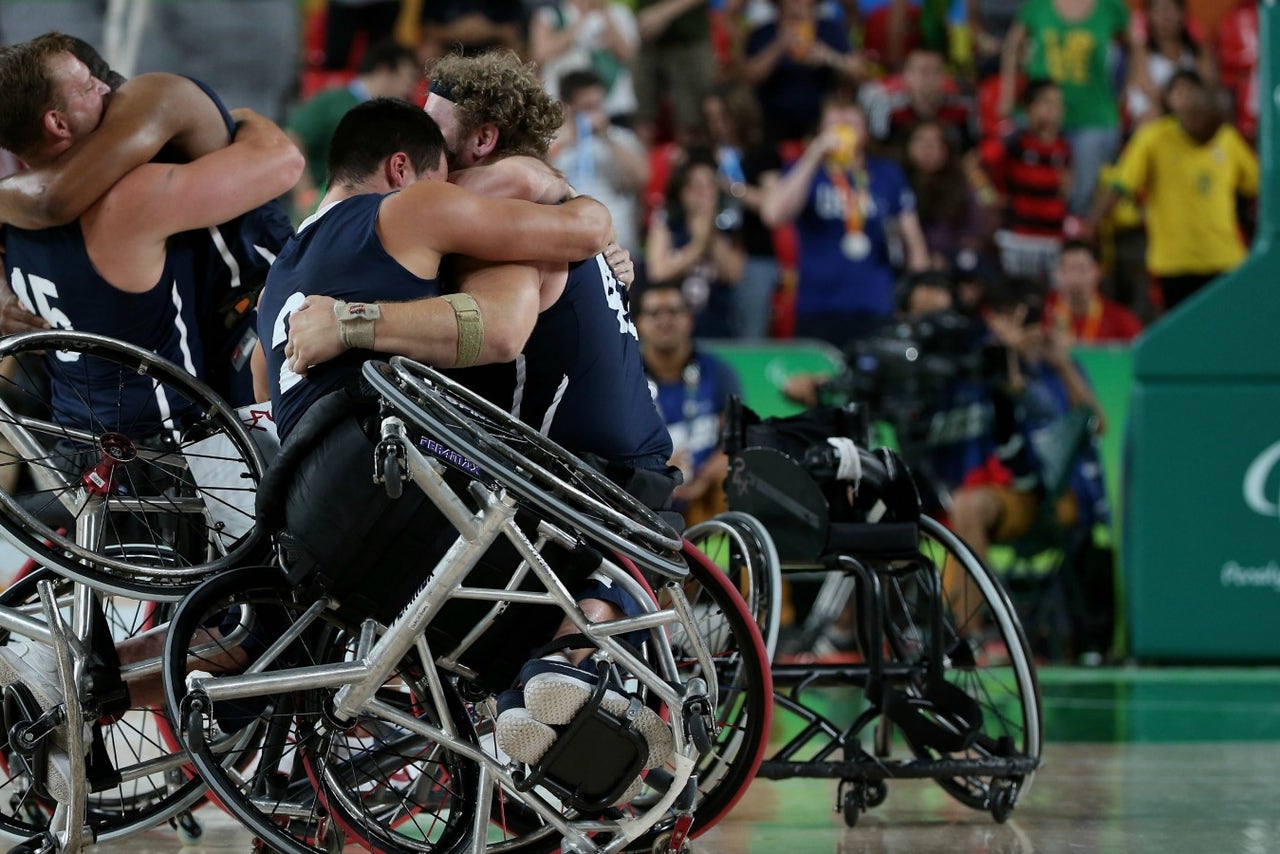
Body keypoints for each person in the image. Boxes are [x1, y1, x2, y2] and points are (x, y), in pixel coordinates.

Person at [273, 73, 673, 779]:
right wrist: (594, 222)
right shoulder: (486, 197)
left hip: (580, 454)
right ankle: (557, 677)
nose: (428, 144)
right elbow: (575, 236)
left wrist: (350, 323)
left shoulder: (499, 183)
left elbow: (500, 330)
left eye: (439, 126)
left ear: (481, 139)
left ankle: (555, 677)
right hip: (610, 450)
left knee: (519, 519)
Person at [0, 31, 303, 802]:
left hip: (84, 455)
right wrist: (250, 121)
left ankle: (73, 668)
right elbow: (282, 166)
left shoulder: (12, 219)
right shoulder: (125, 200)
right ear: (59, 127)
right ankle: (79, 686)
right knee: (290, 609)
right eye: (86, 88)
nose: (107, 90)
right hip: (179, 455)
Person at [761, 92, 929, 348]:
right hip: (817, 306)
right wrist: (815, 153)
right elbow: (773, 214)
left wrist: (919, 296)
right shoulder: (807, 171)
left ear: (865, 131)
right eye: (835, 126)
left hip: (875, 304)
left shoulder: (887, 174)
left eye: (850, 125)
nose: (842, 133)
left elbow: (914, 243)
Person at [1085, 72, 1257, 314]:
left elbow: (1257, 184)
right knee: (1178, 340)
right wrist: (1091, 226)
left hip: (1225, 258)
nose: (1210, 134)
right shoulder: (1154, 138)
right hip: (1173, 262)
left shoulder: (1227, 138)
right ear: (1187, 115)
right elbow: (1120, 185)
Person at [998, 0, 1131, 216]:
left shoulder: (1111, 6)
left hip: (1093, 118)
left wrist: (1129, 90)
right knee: (1031, 187)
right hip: (1041, 116)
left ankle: (1074, 243)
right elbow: (1012, 46)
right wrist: (1007, 95)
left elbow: (1134, 46)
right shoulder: (1037, 5)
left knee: (1080, 198)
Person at [635, 281, 742, 527]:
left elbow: (737, 443)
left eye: (673, 311)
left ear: (689, 319)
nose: (664, 320)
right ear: (639, 323)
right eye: (654, 313)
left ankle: (735, 563)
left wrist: (703, 479)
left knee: (734, 475)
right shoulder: (627, 377)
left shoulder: (718, 372)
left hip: (705, 494)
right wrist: (657, 473)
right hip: (646, 494)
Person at [286, 39, 420, 219]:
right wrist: (304, 194)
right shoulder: (332, 101)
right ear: (385, 71)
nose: (411, 88)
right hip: (321, 207)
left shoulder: (391, 117)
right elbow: (292, 138)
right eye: (409, 78)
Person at [700, 82, 783, 339]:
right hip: (708, 252)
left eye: (722, 117)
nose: (716, 125)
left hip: (754, 253)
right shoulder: (703, 154)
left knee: (750, 334)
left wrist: (733, 188)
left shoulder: (763, 152)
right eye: (710, 118)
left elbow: (771, 204)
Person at [645, 148, 747, 339]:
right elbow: (657, 272)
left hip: (719, 326)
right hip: (674, 329)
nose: (701, 193)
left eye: (708, 185)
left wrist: (710, 234)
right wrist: (698, 245)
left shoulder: (728, 228)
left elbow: (734, 274)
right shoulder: (667, 227)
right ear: (681, 192)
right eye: (694, 186)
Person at [549, 69, 649, 259]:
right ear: (567, 106)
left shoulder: (620, 138)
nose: (594, 114)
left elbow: (642, 176)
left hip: (619, 247)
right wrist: (563, 142)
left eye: (598, 105)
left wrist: (606, 136)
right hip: (568, 246)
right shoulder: (553, 141)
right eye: (587, 107)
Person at [982, 78, 1072, 283]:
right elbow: (974, 164)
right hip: (1019, 238)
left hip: (1053, 239)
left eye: (1058, 105)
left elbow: (1065, 188)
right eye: (1047, 103)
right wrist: (989, 197)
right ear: (1030, 107)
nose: (1053, 110)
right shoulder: (1014, 140)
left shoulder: (1063, 146)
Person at [741, 0, 863, 147]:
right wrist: (780, 45)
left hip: (821, 119)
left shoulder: (830, 30)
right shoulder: (763, 34)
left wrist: (828, 57)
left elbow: (857, 72)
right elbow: (748, 78)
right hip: (774, 121)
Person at [529, 0, 641, 126]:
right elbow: (540, 54)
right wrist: (581, 22)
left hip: (612, 103)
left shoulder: (619, 13)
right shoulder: (550, 15)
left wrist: (605, 15)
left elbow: (628, 54)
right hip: (562, 103)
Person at [1125, 0, 1215, 127]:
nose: (1166, 17)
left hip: (1191, 121)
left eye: (1171, 10)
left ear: (1183, 14)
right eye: (1159, 10)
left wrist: (1181, 101)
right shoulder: (1141, 52)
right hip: (1153, 121)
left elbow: (1207, 87)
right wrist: (1176, 101)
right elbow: (1145, 87)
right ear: (1148, 15)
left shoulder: (1198, 52)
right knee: (1152, 114)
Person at [1045, 240, 1142, 343]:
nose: (1074, 279)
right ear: (1055, 273)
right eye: (1066, 270)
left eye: (1082, 270)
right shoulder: (1043, 316)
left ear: (1099, 272)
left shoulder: (1121, 321)